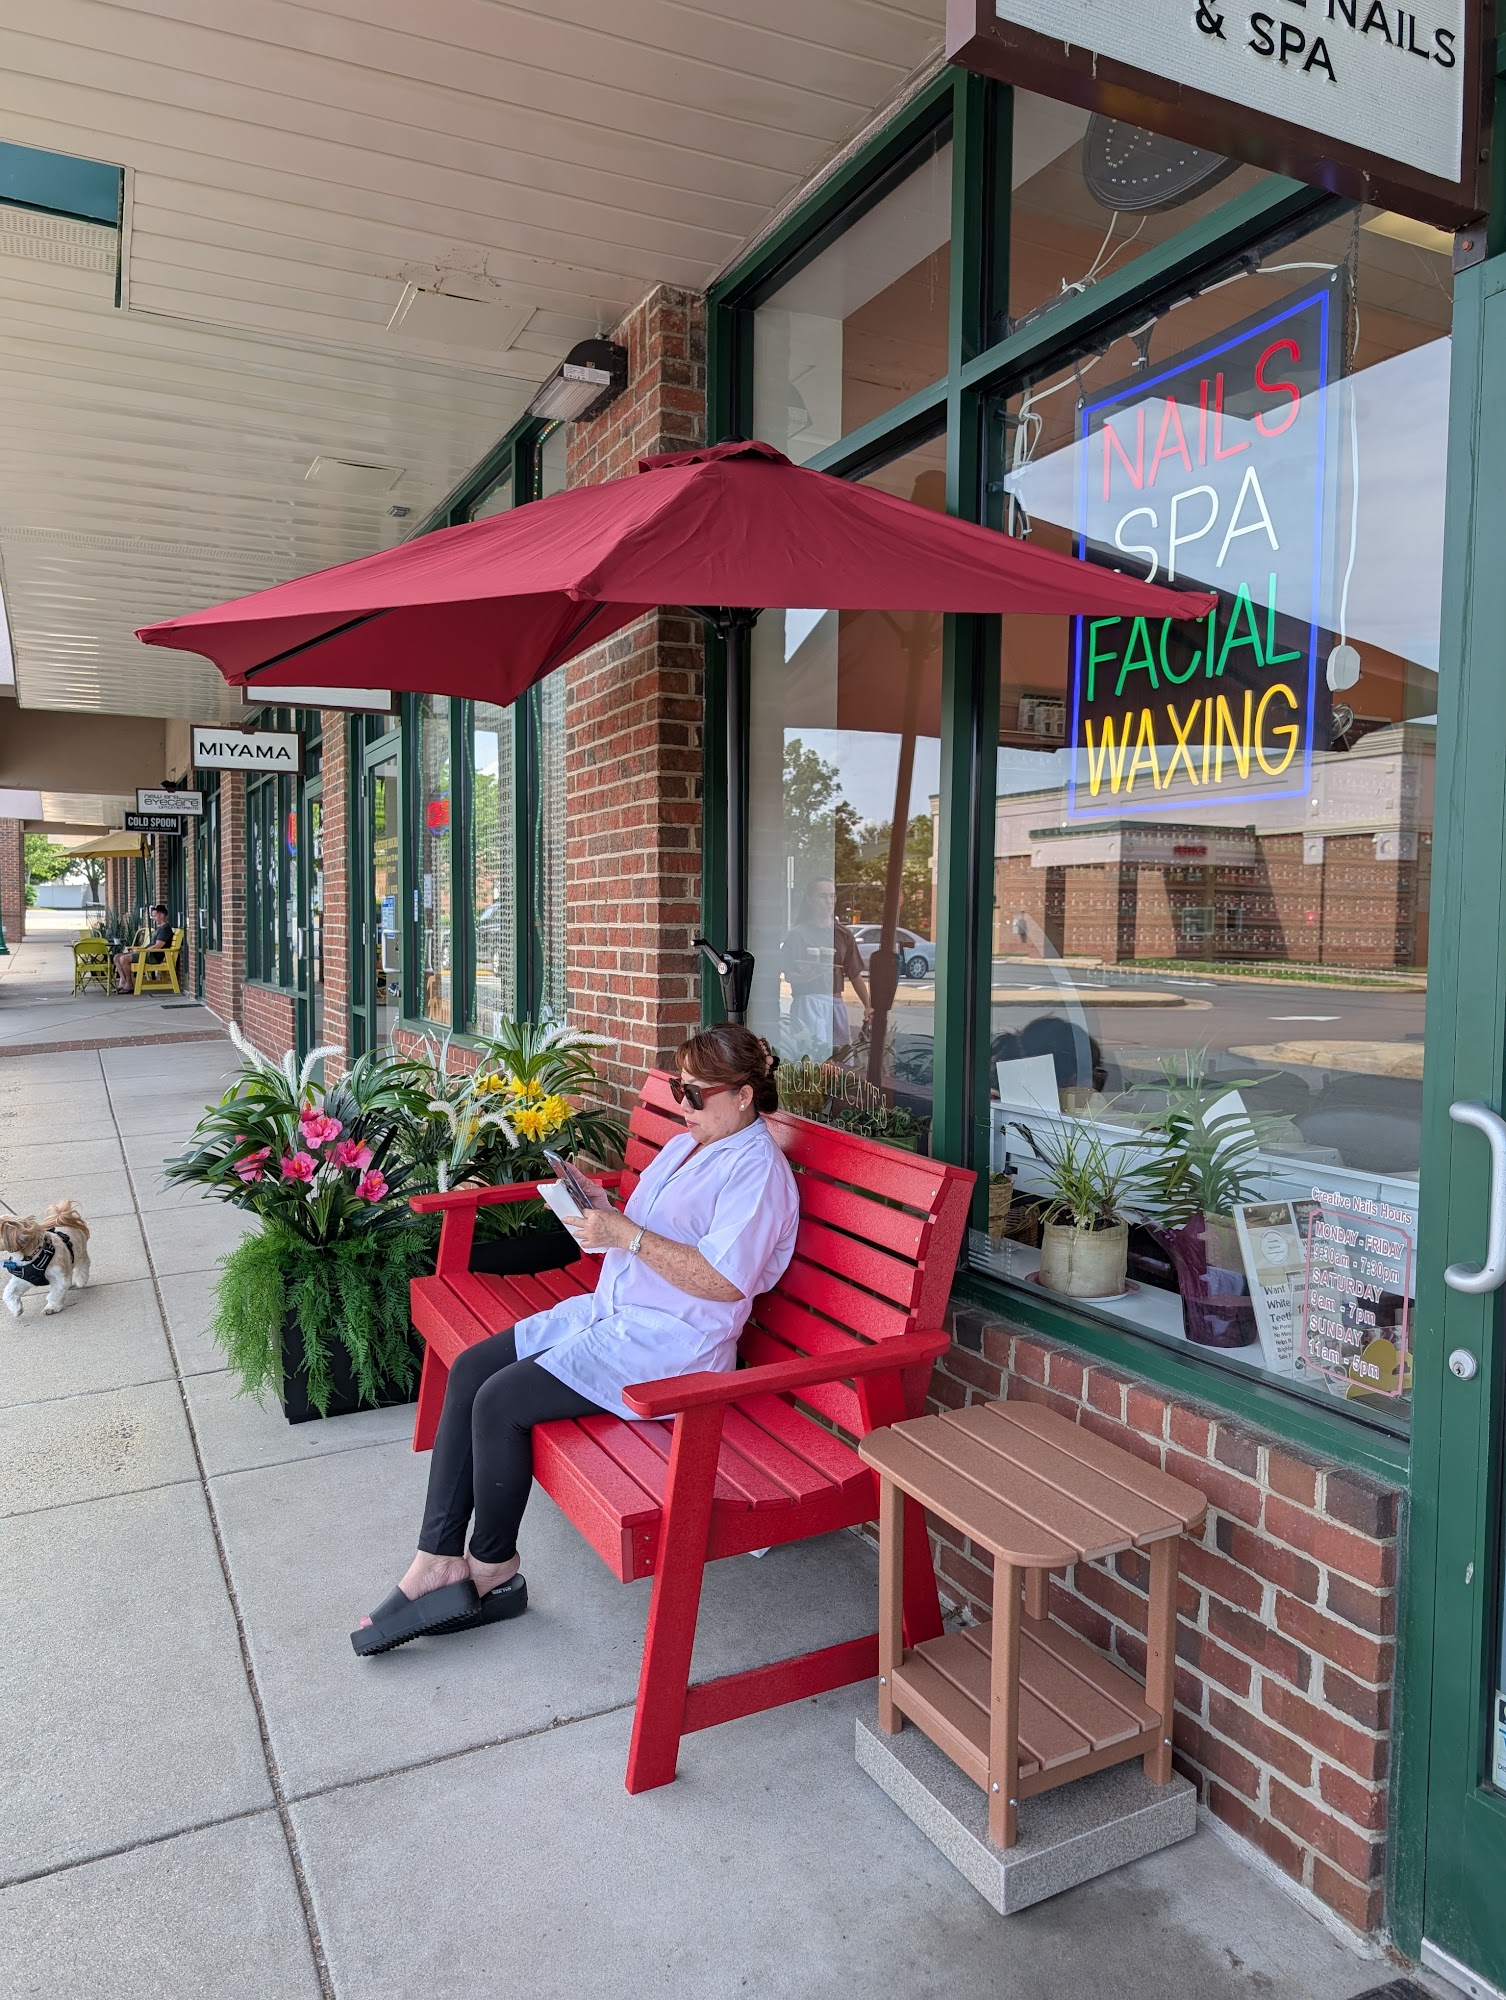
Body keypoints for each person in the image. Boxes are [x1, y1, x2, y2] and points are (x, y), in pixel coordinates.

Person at [352, 1023, 801, 1656]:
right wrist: (595, 1209)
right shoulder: (691, 1144)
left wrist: (626, 1236)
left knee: (500, 1403)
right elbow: (645, 1230)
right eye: (679, 1089)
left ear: (745, 1095)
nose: (683, 1103)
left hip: (672, 1344)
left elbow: (725, 1282)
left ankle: (493, 1571)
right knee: (473, 1369)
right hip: (615, 1311)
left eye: (696, 1093)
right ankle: (437, 1557)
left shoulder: (757, 1171)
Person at [781, 877, 872, 1055]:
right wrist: (807, 976)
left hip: (835, 1002)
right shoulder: (798, 934)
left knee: (840, 1057)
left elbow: (854, 974)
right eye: (823, 896)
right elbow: (789, 975)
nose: (829, 901)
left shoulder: (843, 934)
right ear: (810, 899)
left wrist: (868, 1005)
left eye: (832, 896)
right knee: (812, 1057)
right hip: (807, 1001)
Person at [115, 904, 173, 994]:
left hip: (153, 956)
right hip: (147, 953)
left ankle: (129, 984)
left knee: (123, 959)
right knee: (116, 957)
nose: (153, 918)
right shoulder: (160, 928)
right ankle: (123, 982)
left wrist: (142, 951)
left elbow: (158, 946)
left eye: (155, 916)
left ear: (162, 915)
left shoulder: (165, 929)